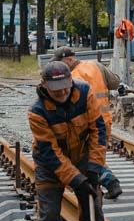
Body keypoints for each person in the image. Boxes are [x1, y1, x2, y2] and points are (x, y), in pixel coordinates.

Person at [28, 61, 108, 221]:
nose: (63, 91)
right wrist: (76, 179)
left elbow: (98, 131)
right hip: (49, 164)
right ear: (45, 86)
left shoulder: (85, 93)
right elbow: (51, 153)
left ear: (71, 80)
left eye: (66, 85)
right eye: (56, 89)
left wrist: (93, 167)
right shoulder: (37, 112)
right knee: (49, 211)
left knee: (93, 201)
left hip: (81, 155)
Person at [54, 47, 125, 200]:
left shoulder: (70, 77)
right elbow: (115, 83)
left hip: (86, 124)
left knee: (87, 157)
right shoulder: (96, 65)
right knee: (96, 153)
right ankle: (105, 183)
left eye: (60, 63)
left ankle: (110, 182)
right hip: (105, 120)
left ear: (69, 60)